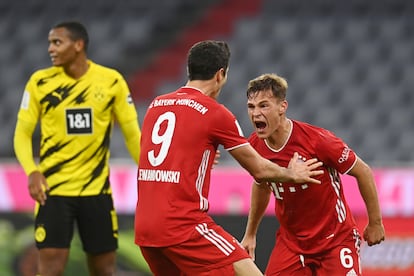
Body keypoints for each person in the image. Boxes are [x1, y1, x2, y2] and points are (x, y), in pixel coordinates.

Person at [134, 40, 324, 276]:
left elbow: (156, 156)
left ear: (189, 71)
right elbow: (259, 170)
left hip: (145, 229)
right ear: (221, 74)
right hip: (184, 226)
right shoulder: (215, 113)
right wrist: (291, 174)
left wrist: (197, 158)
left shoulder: (156, 105)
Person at [13, 21, 141, 275]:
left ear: (78, 45)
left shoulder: (111, 81)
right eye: (50, 42)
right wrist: (32, 170)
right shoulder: (40, 82)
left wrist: (150, 172)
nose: (50, 48)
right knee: (50, 268)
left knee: (104, 269)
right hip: (53, 191)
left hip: (97, 192)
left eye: (57, 42)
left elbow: (132, 135)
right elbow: (22, 133)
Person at [241, 73, 385, 276]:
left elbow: (363, 172)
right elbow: (261, 185)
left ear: (282, 107)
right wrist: (251, 234)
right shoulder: (254, 147)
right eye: (251, 107)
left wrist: (375, 222)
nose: (256, 114)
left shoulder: (318, 141)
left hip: (335, 240)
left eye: (264, 106)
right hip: (292, 245)